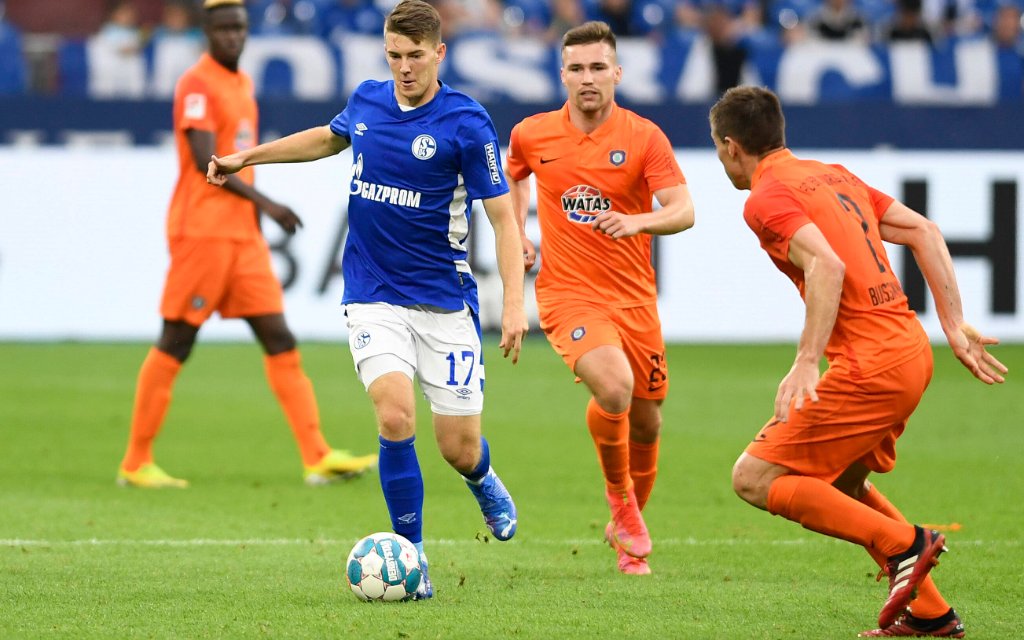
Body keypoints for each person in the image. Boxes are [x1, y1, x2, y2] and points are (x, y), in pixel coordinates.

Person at [207, 0, 529, 600]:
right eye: (393, 56)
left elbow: (505, 221)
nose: (403, 68)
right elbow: (326, 140)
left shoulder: (466, 123)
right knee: (394, 414)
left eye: (414, 56)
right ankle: (415, 556)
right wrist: (248, 158)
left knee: (456, 446)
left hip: (445, 302)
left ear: (439, 53)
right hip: (373, 293)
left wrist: (513, 305)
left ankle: (482, 477)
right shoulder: (369, 99)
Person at [708, 86, 1008, 637]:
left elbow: (827, 266)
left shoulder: (765, 198)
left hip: (869, 365)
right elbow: (924, 230)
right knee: (844, 484)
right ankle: (931, 616)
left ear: (730, 147)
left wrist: (805, 361)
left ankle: (905, 545)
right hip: (910, 350)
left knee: (754, 477)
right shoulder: (836, 175)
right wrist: (951, 323)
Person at [117, 0, 377, 489]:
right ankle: (135, 461)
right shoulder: (196, 83)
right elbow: (202, 160)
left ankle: (317, 455)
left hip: (243, 238)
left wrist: (256, 216)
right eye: (223, 28)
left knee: (280, 338)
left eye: (239, 27)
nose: (233, 36)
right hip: (203, 233)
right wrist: (268, 203)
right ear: (207, 31)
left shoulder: (242, 84)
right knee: (176, 340)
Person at [505, 21, 695, 576]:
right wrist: (518, 230)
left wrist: (638, 221)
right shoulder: (532, 133)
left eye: (597, 67)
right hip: (568, 293)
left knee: (648, 423)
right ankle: (620, 503)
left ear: (617, 72)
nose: (587, 78)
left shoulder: (644, 137)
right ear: (561, 74)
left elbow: (684, 209)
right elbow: (510, 176)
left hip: (634, 299)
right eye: (576, 68)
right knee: (614, 387)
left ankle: (626, 530)